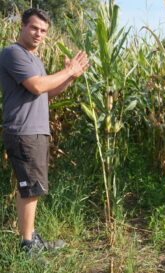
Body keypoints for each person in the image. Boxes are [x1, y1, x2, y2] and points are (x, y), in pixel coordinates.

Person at [0, 8, 89, 253]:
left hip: (36, 130)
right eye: (34, 28)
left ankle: (31, 237)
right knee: (30, 189)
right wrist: (68, 70)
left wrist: (72, 77)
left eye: (43, 31)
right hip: (23, 130)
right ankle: (27, 246)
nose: (39, 34)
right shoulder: (12, 53)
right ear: (22, 26)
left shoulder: (34, 59)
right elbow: (38, 86)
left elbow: (46, 94)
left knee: (33, 188)